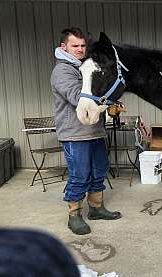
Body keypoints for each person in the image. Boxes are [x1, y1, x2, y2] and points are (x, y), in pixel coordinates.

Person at [51, 27, 121, 235]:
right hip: (75, 133)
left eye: (83, 45)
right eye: (75, 46)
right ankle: (74, 215)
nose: (80, 49)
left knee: (99, 171)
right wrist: (105, 103)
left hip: (95, 130)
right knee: (79, 175)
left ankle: (97, 208)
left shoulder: (86, 67)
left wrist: (111, 102)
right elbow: (76, 97)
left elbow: (99, 92)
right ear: (63, 47)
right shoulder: (62, 71)